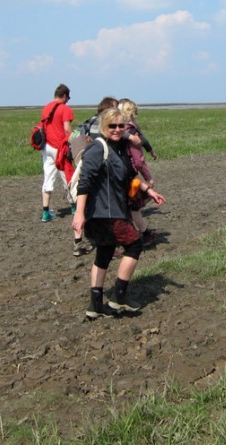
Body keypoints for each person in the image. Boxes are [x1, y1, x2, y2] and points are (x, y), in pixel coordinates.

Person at [71, 108, 165, 320]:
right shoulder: (97, 148)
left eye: (120, 126)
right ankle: (119, 297)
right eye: (112, 126)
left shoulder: (120, 147)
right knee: (134, 244)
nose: (116, 129)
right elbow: (84, 183)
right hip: (103, 213)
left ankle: (95, 306)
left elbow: (131, 176)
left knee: (104, 253)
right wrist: (79, 214)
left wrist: (149, 191)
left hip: (113, 211)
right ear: (103, 126)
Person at [118, 99, 158, 247]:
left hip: (118, 174)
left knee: (127, 206)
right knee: (134, 205)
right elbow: (139, 160)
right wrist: (148, 178)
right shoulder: (131, 132)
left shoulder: (119, 129)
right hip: (131, 176)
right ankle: (143, 234)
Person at [40, 84, 75, 222]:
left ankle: (45, 212)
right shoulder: (65, 109)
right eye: (68, 97)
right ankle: (73, 207)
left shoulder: (46, 108)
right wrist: (74, 138)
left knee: (48, 178)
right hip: (60, 148)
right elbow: (67, 129)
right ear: (65, 96)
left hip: (47, 147)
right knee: (67, 176)